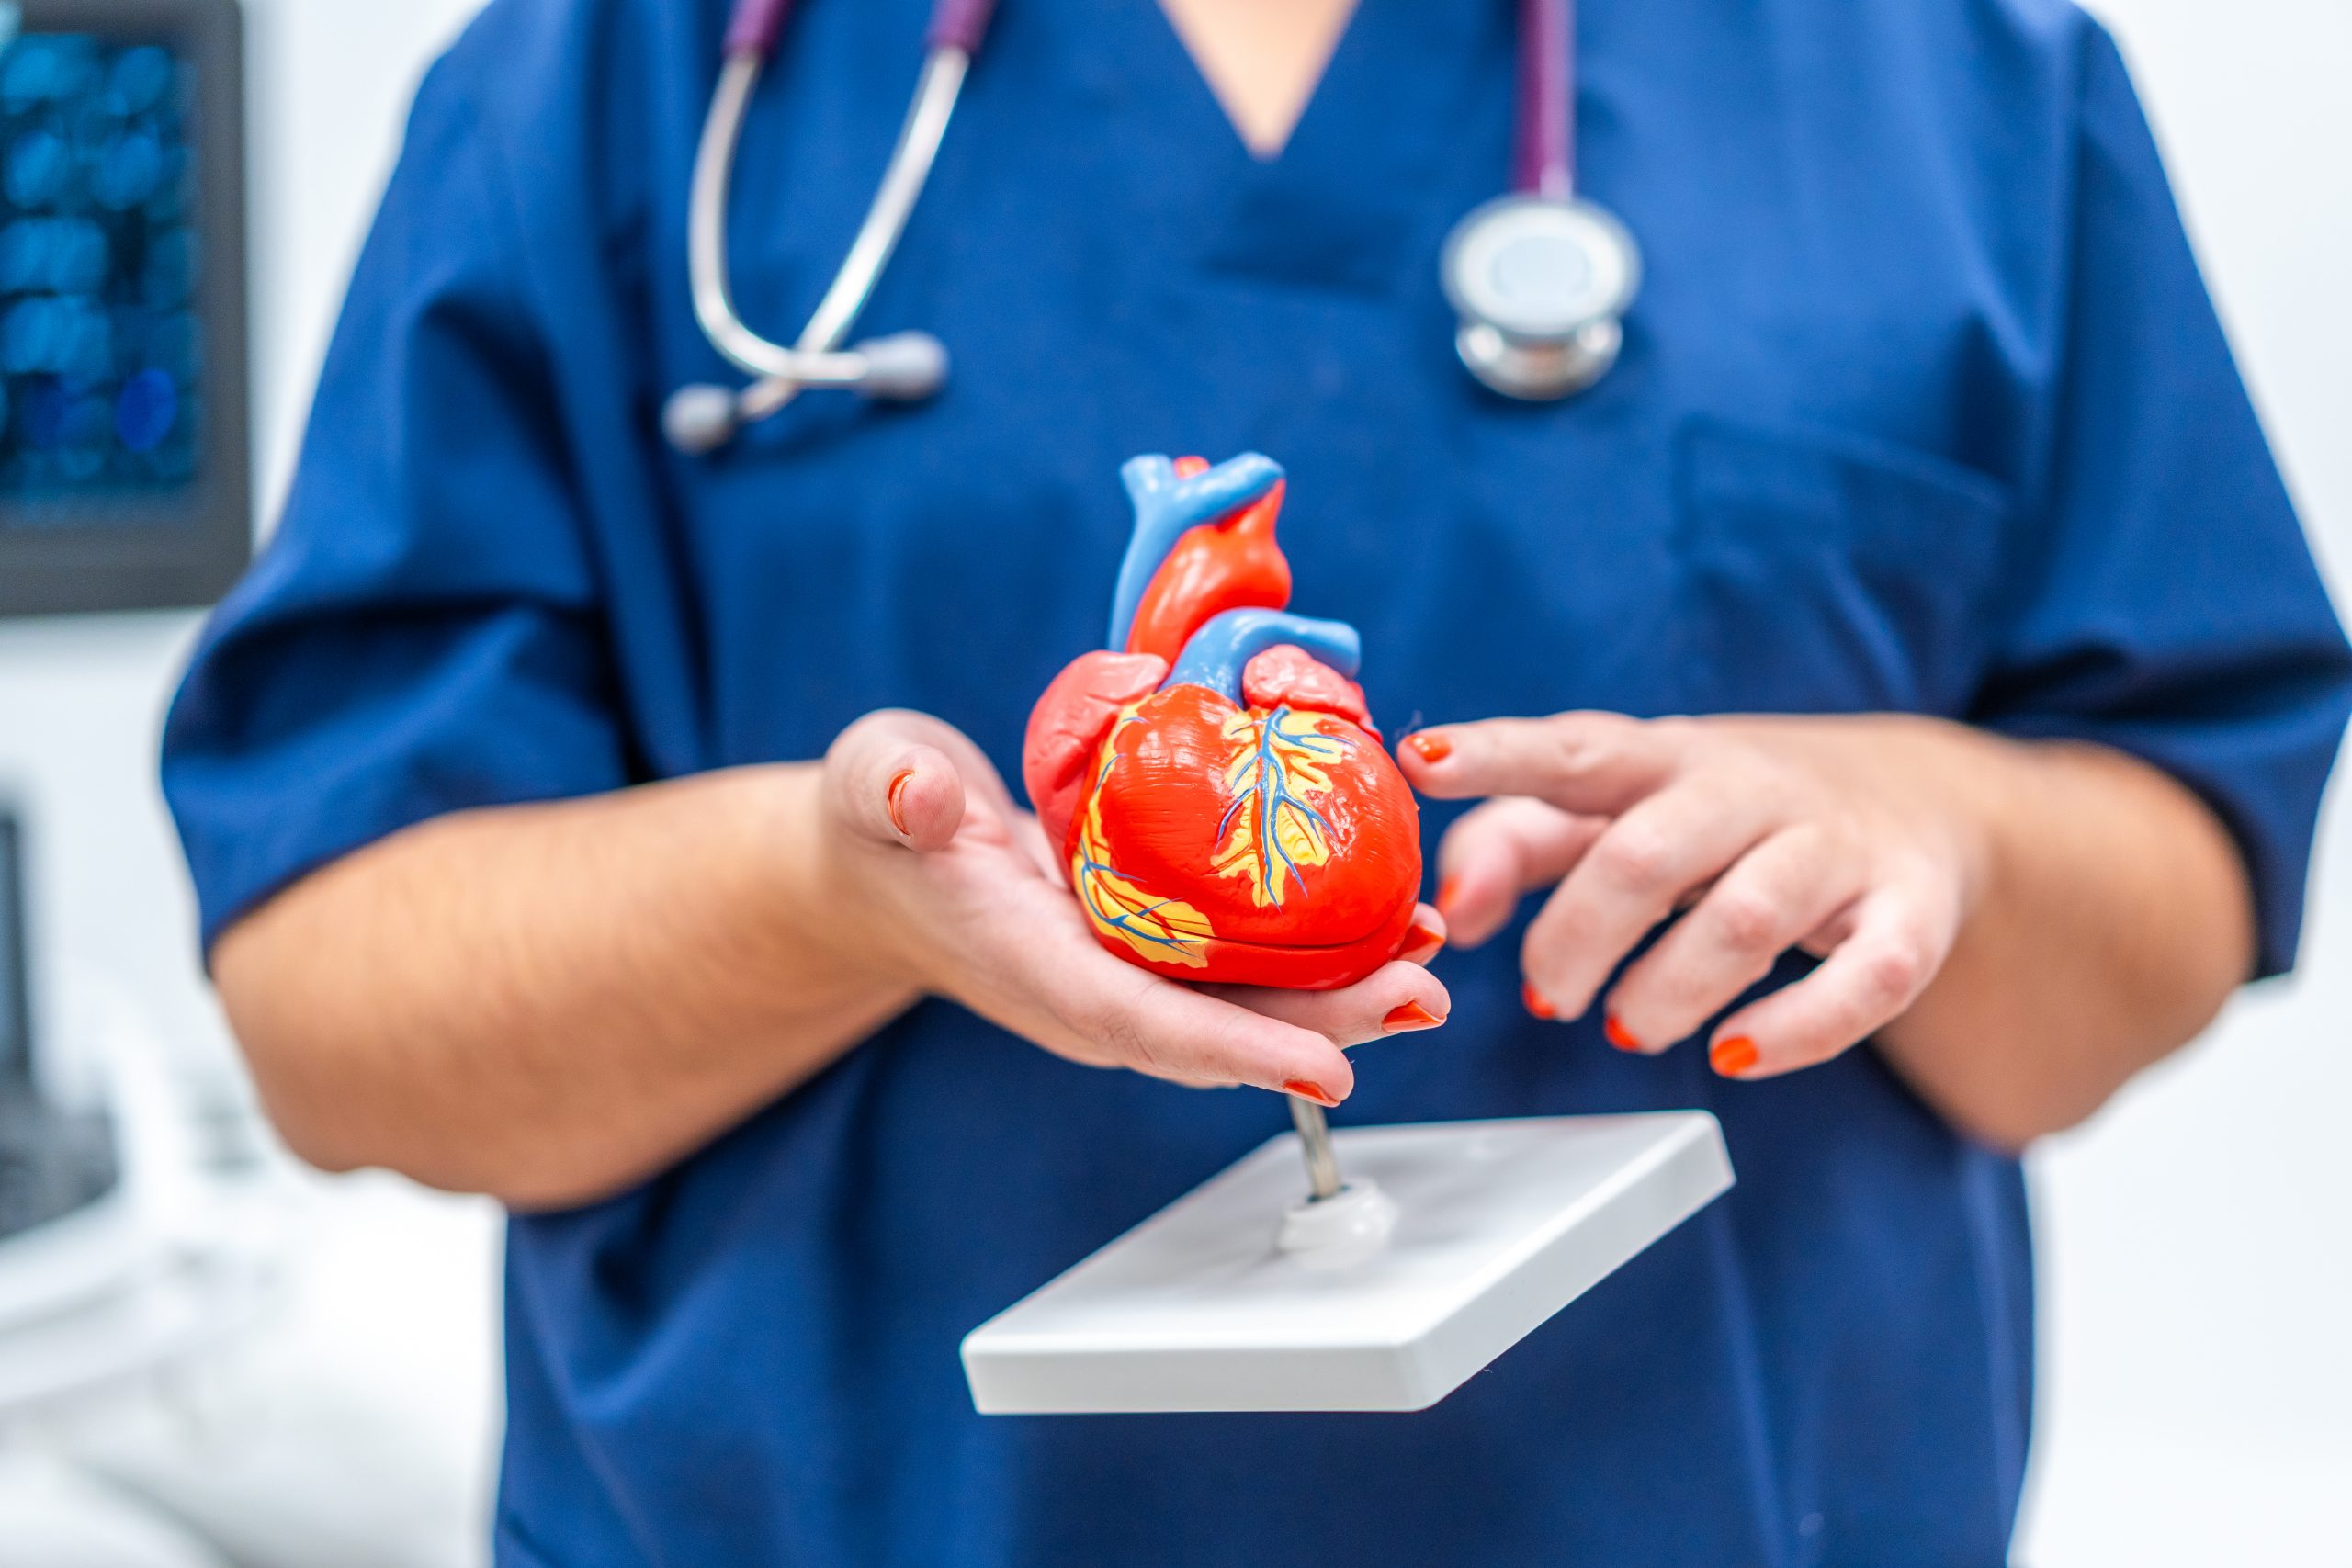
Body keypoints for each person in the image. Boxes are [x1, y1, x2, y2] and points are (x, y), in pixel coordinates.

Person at [162, 0, 2351, 1562]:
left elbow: (2176, 883)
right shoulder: (613, 81)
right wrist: (829, 887)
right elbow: (346, 1026)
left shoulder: (1949, 73)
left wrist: (1942, 822)